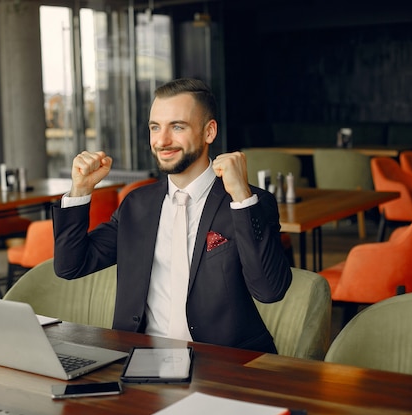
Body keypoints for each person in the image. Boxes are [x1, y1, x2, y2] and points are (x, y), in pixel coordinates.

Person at [52, 78, 292, 353]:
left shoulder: (248, 202)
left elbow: (270, 291)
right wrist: (80, 190)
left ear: (209, 131)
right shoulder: (136, 205)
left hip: (225, 364)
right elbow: (70, 266)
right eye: (155, 127)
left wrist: (241, 196)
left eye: (177, 127)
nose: (162, 141)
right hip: (142, 359)